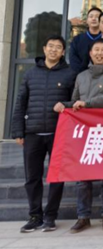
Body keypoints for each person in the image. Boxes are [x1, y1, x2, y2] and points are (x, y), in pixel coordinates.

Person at [57, 39, 103, 233]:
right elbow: (75, 101)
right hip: (83, 132)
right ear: (90, 53)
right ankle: (83, 217)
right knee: (82, 176)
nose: (99, 53)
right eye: (96, 50)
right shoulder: (82, 76)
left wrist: (87, 104)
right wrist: (64, 105)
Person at [12, 35, 77, 233]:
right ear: (44, 48)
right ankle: (35, 216)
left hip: (59, 133)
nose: (54, 50)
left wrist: (64, 104)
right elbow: (20, 103)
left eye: (58, 47)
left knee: (56, 177)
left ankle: (50, 216)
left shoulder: (70, 74)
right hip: (32, 133)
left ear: (63, 52)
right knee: (32, 177)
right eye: (51, 46)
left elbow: (75, 102)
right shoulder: (31, 74)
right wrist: (18, 131)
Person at [69, 7, 102, 73]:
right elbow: (73, 58)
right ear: (87, 20)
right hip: (80, 75)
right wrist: (82, 74)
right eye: (91, 16)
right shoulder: (77, 39)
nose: (93, 18)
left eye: (97, 17)